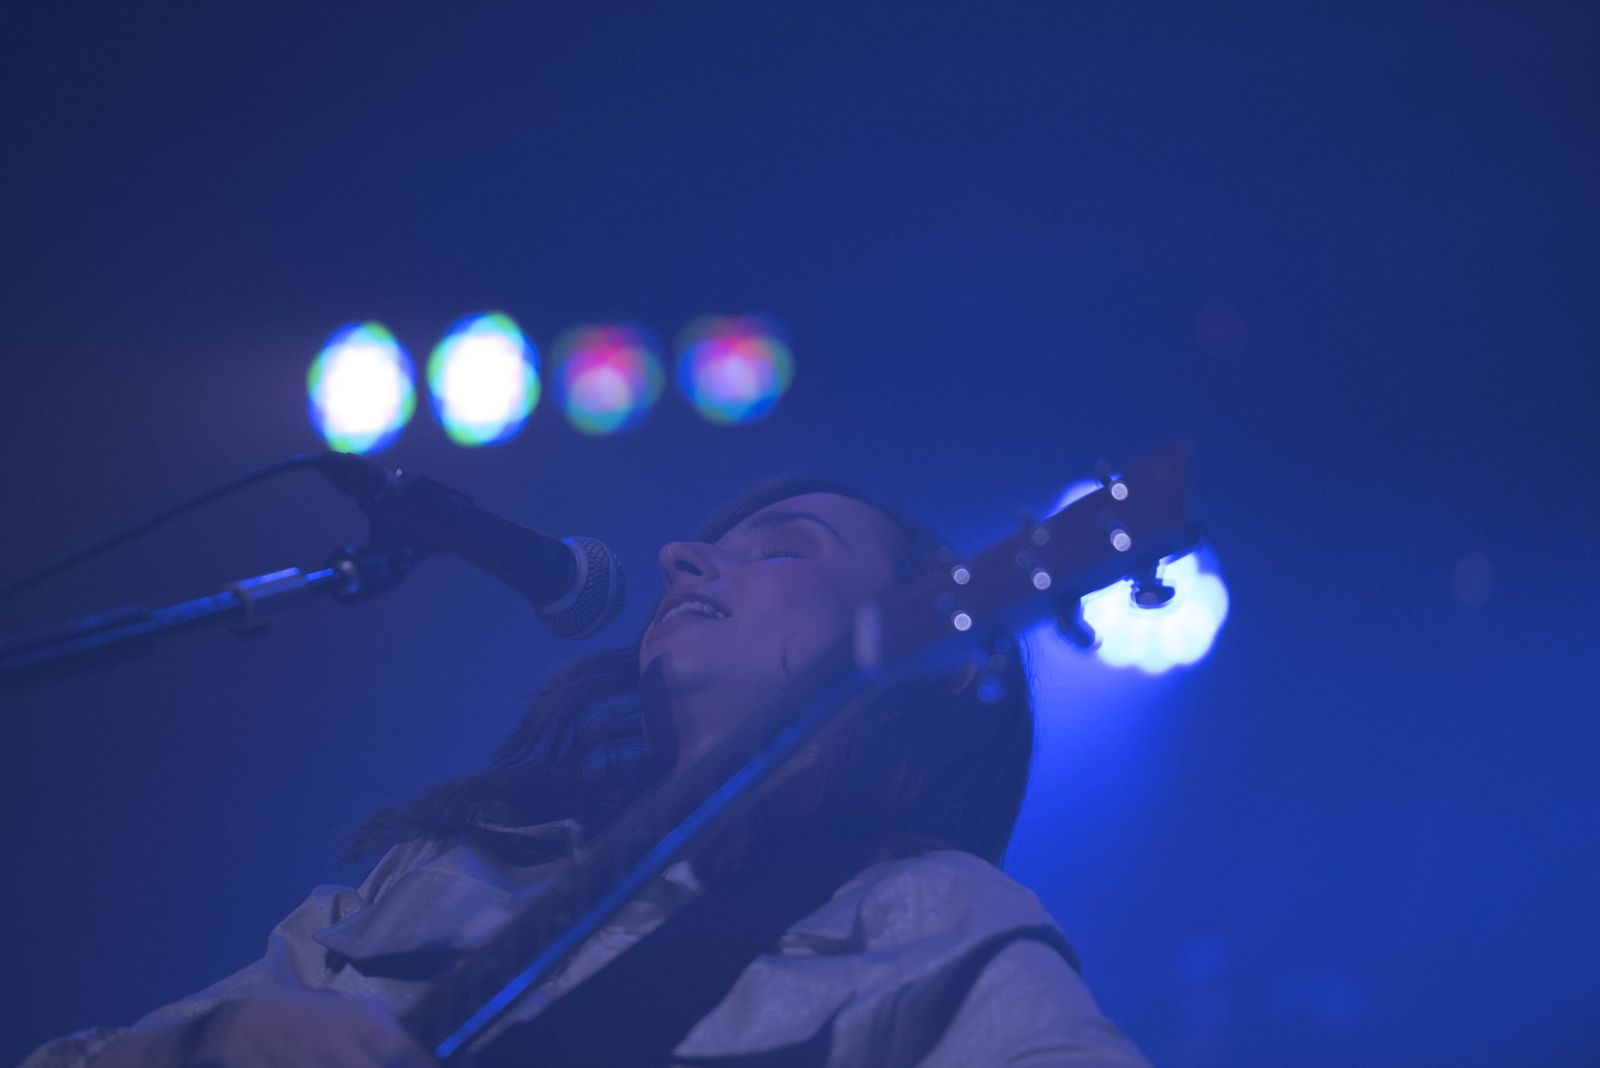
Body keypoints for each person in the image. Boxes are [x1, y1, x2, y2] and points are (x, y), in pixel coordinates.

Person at [23, 476, 1151, 1067]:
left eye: (782, 546)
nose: (683, 555)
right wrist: (203, 1050)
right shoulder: (442, 869)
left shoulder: (936, 918)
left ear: (942, 658)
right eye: (712, 539)